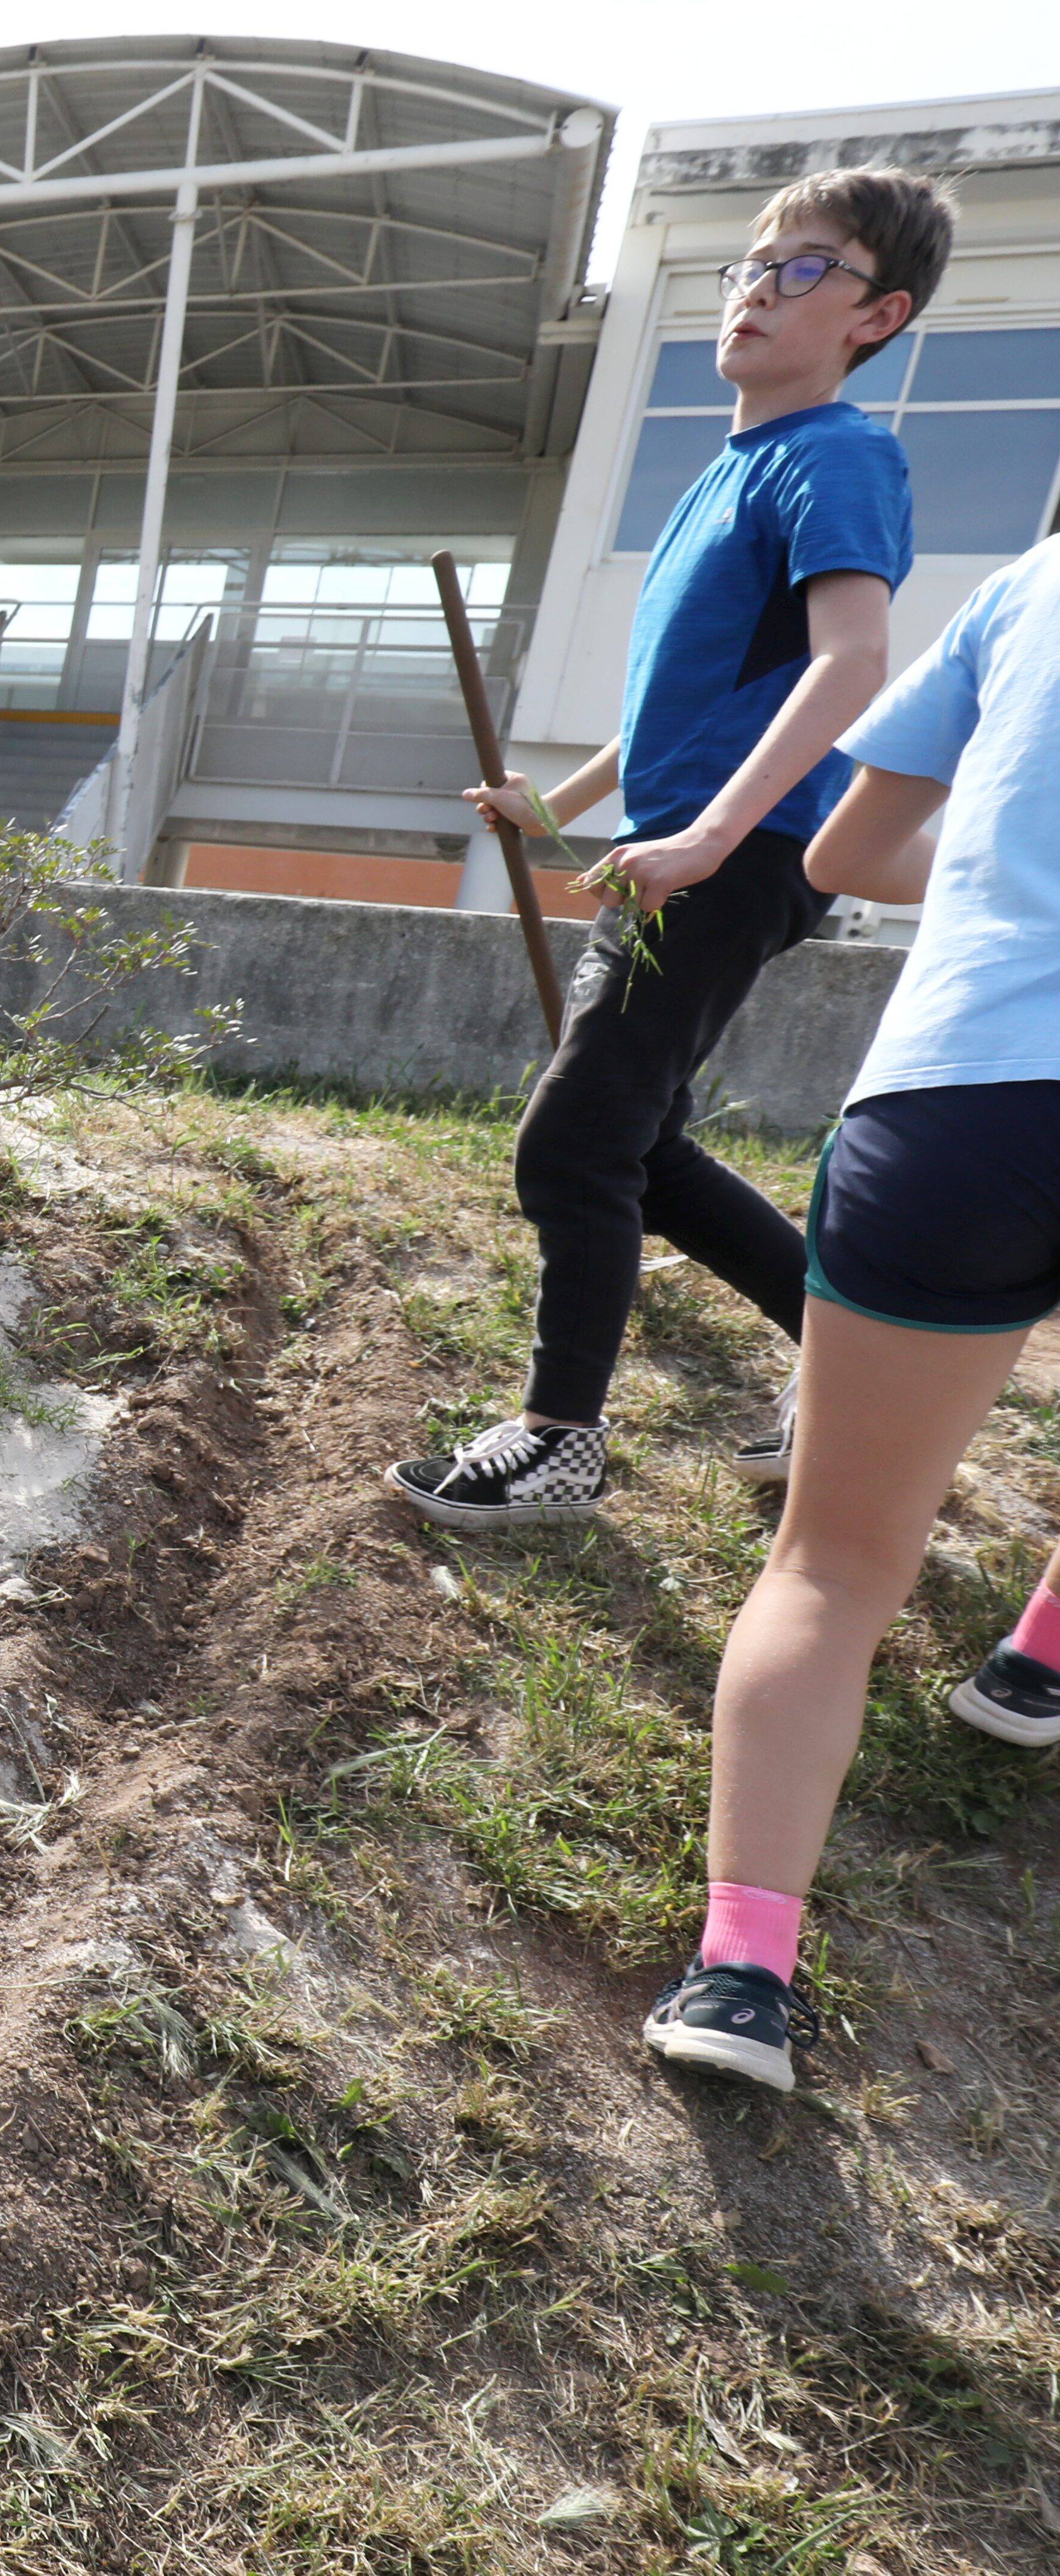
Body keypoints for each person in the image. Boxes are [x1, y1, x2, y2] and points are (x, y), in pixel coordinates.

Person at [390, 167, 950, 1531]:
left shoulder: (839, 455)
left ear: (875, 316)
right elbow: (682, 710)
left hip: (734, 855)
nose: (758, 287)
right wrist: (559, 803)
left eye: (803, 269)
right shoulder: (731, 468)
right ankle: (845, 1361)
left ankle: (558, 1435)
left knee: (571, 1143)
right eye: (751, 266)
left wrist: (710, 835)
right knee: (638, 1150)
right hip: (679, 844)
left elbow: (851, 663)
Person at [644, 526, 1060, 2091]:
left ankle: (740, 1973)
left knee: (833, 1561)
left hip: (960, 1097)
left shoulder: (1029, 588)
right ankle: (1038, 1656)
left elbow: (844, 855)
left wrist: (1018, 863)